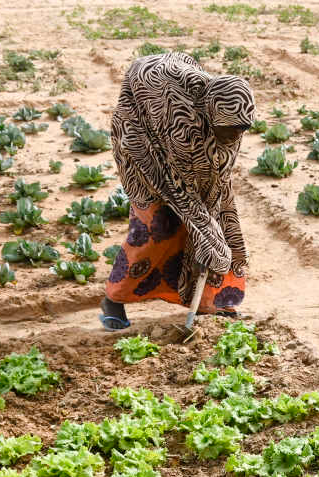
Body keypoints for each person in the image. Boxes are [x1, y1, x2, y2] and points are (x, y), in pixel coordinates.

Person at [99, 52, 255, 330]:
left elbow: (217, 177)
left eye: (239, 130)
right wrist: (205, 230)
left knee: (222, 221)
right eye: (227, 130)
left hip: (184, 140)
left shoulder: (229, 109)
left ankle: (213, 300)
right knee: (158, 224)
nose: (233, 137)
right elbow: (177, 187)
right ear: (210, 115)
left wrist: (212, 223)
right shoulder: (179, 118)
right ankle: (114, 300)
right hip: (143, 143)